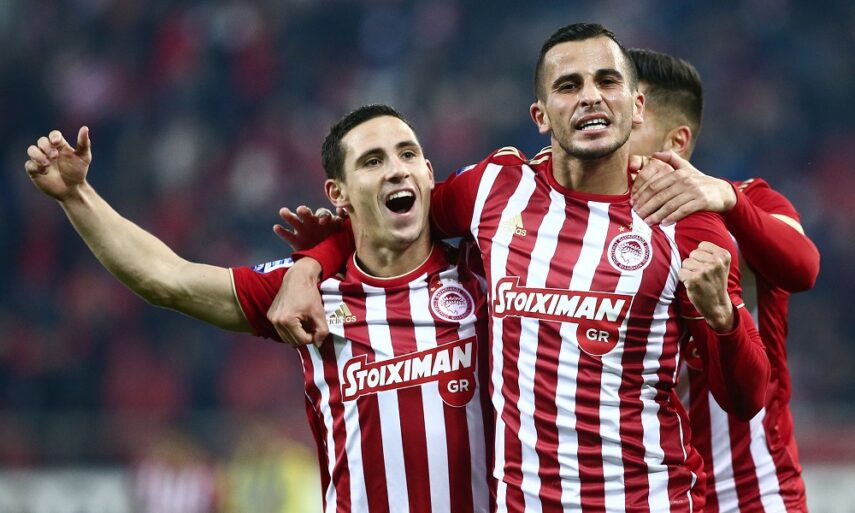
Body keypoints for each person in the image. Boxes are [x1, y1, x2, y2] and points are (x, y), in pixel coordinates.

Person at [270, 23, 771, 512]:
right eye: (568, 86)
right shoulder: (496, 190)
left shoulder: (685, 221)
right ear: (541, 115)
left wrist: (723, 318)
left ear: (636, 106)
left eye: (607, 81)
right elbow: (391, 221)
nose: (590, 97)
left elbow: (747, 398)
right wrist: (309, 266)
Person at [23, 104, 495, 513]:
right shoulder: (310, 289)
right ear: (339, 194)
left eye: (407, 154)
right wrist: (77, 196)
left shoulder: (485, 274)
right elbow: (167, 279)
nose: (396, 170)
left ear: (428, 172)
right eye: (373, 161)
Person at [626, 48, 820, 513]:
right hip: (652, 494)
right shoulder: (578, 227)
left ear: (676, 140)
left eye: (632, 117)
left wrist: (730, 201)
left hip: (750, 494)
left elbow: (803, 267)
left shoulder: (748, 203)